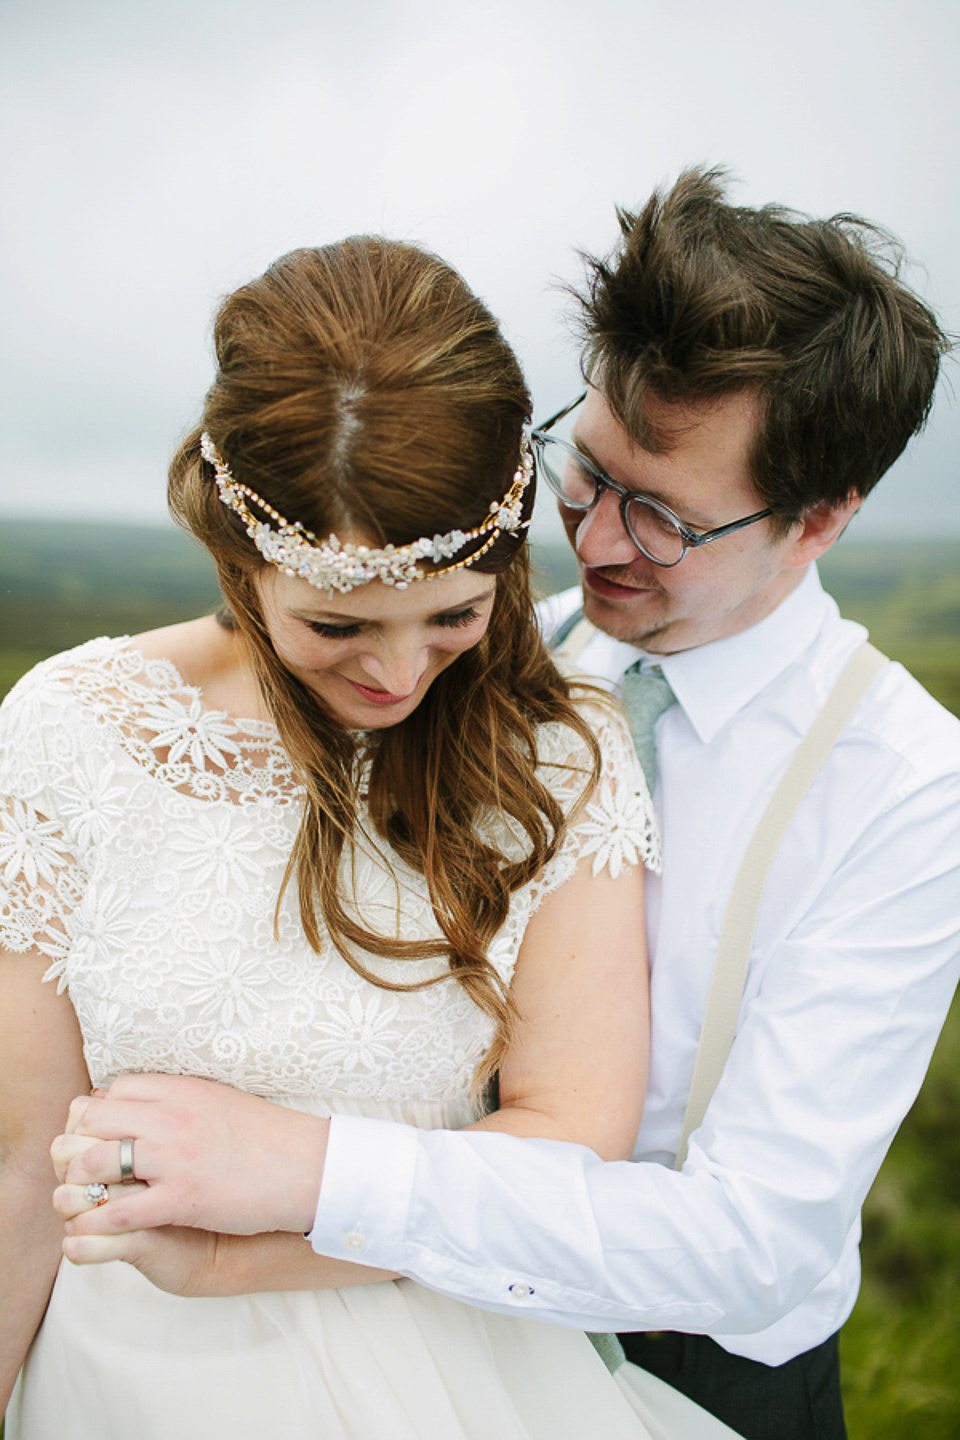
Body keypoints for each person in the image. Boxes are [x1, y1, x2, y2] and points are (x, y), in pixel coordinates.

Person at [47, 172, 960, 1438]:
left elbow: (755, 1241)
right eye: (586, 472)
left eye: (665, 520)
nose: (592, 543)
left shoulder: (909, 791)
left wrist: (312, 1177)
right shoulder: (465, 666)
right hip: (346, 1328)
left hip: (696, 1368)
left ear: (822, 519)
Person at [0, 236, 748, 1439]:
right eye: (338, 624)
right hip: (122, 1381)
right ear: (242, 555)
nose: (399, 673)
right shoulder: (67, 731)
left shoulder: (561, 761)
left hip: (443, 1369)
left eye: (454, 614)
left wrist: (246, 1255)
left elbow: (566, 1147)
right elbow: (17, 1160)